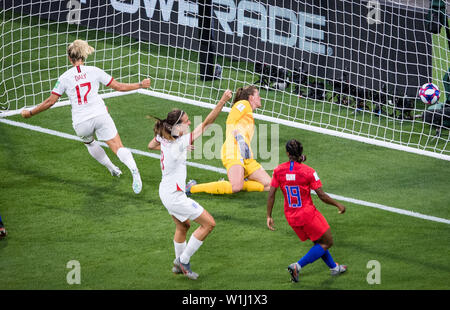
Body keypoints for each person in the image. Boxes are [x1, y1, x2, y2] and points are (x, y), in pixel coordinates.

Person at [21, 39, 150, 194]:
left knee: (89, 143)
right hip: (100, 115)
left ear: (70, 58)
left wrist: (30, 113)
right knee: (117, 146)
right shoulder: (94, 70)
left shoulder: (64, 77)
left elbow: (50, 101)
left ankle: (112, 168)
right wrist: (140, 85)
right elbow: (119, 87)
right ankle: (134, 171)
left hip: (81, 122)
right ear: (84, 56)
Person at [148, 89, 233, 280]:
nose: (189, 123)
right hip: (175, 196)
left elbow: (150, 146)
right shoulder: (179, 141)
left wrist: (175, 147)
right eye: (186, 121)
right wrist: (222, 101)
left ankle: (178, 264)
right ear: (177, 126)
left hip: (165, 192)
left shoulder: (165, 137)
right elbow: (207, 123)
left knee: (183, 227)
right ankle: (183, 260)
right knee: (209, 224)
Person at [266, 139, 347, 282]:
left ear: (287, 153)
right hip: (308, 214)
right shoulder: (309, 172)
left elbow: (271, 194)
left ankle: (334, 268)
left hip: (291, 216)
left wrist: (269, 216)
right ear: (300, 153)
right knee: (327, 242)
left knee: (318, 242)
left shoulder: (278, 171)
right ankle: (297, 266)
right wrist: (338, 204)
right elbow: (321, 195)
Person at [186, 85, 271, 195]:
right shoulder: (243, 104)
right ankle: (193, 188)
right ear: (251, 98)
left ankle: (231, 182)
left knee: (269, 185)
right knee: (236, 187)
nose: (260, 98)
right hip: (233, 151)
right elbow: (232, 120)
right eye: (258, 95)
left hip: (246, 155)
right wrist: (238, 137)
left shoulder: (248, 111)